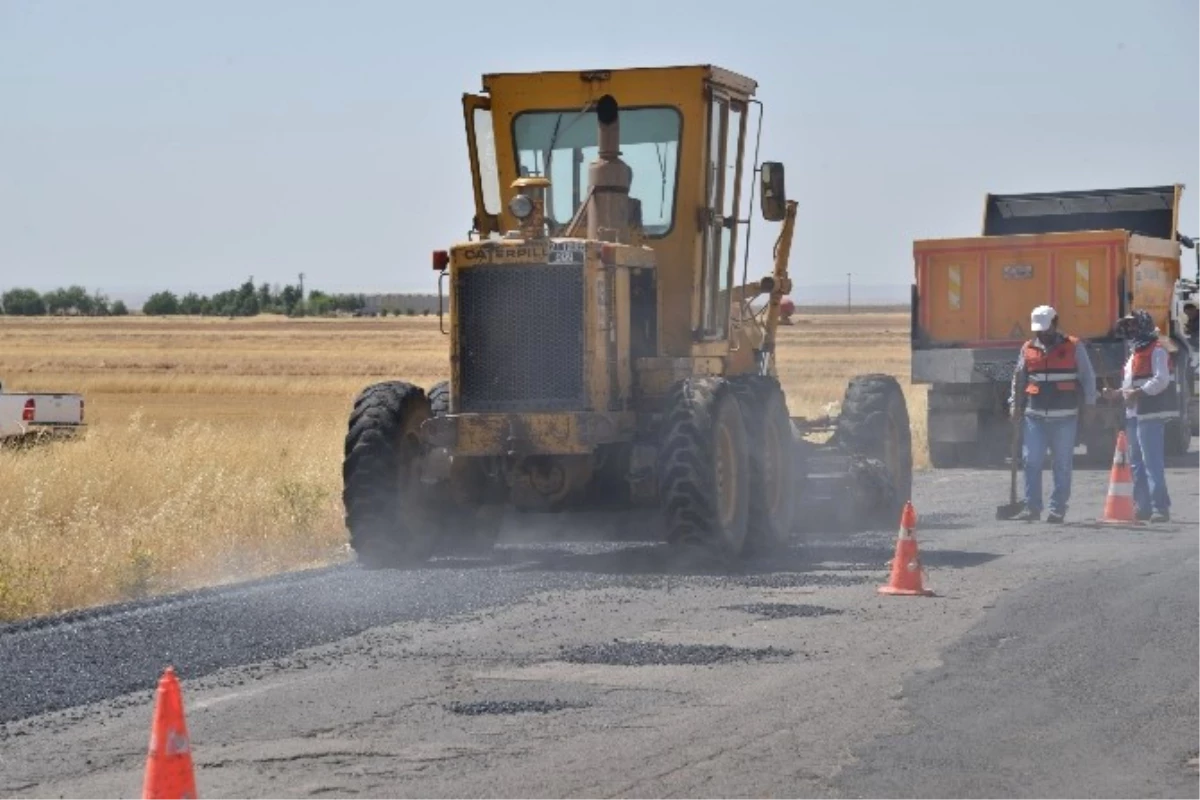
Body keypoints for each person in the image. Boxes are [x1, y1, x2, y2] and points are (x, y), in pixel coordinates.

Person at [1008, 304, 1097, 523]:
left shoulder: (1074, 346)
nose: (1042, 333)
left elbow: (1088, 378)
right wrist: (1014, 404)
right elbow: (1018, 379)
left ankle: (1057, 508)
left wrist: (1090, 405)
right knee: (1031, 460)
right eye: (1038, 330)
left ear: (1055, 324)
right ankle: (1032, 507)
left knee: (1062, 463)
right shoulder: (1027, 348)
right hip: (1034, 417)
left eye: (1046, 329)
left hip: (1065, 418)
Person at [1102, 309, 1174, 522]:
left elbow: (1162, 379)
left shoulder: (1157, 349)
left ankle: (1160, 508)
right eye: (1129, 326)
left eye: (1134, 325)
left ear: (1143, 325)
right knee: (1136, 463)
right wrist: (1115, 394)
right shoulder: (1135, 352)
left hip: (1150, 412)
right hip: (1133, 413)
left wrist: (1139, 393)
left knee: (1152, 462)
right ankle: (1143, 507)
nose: (1131, 329)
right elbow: (1130, 384)